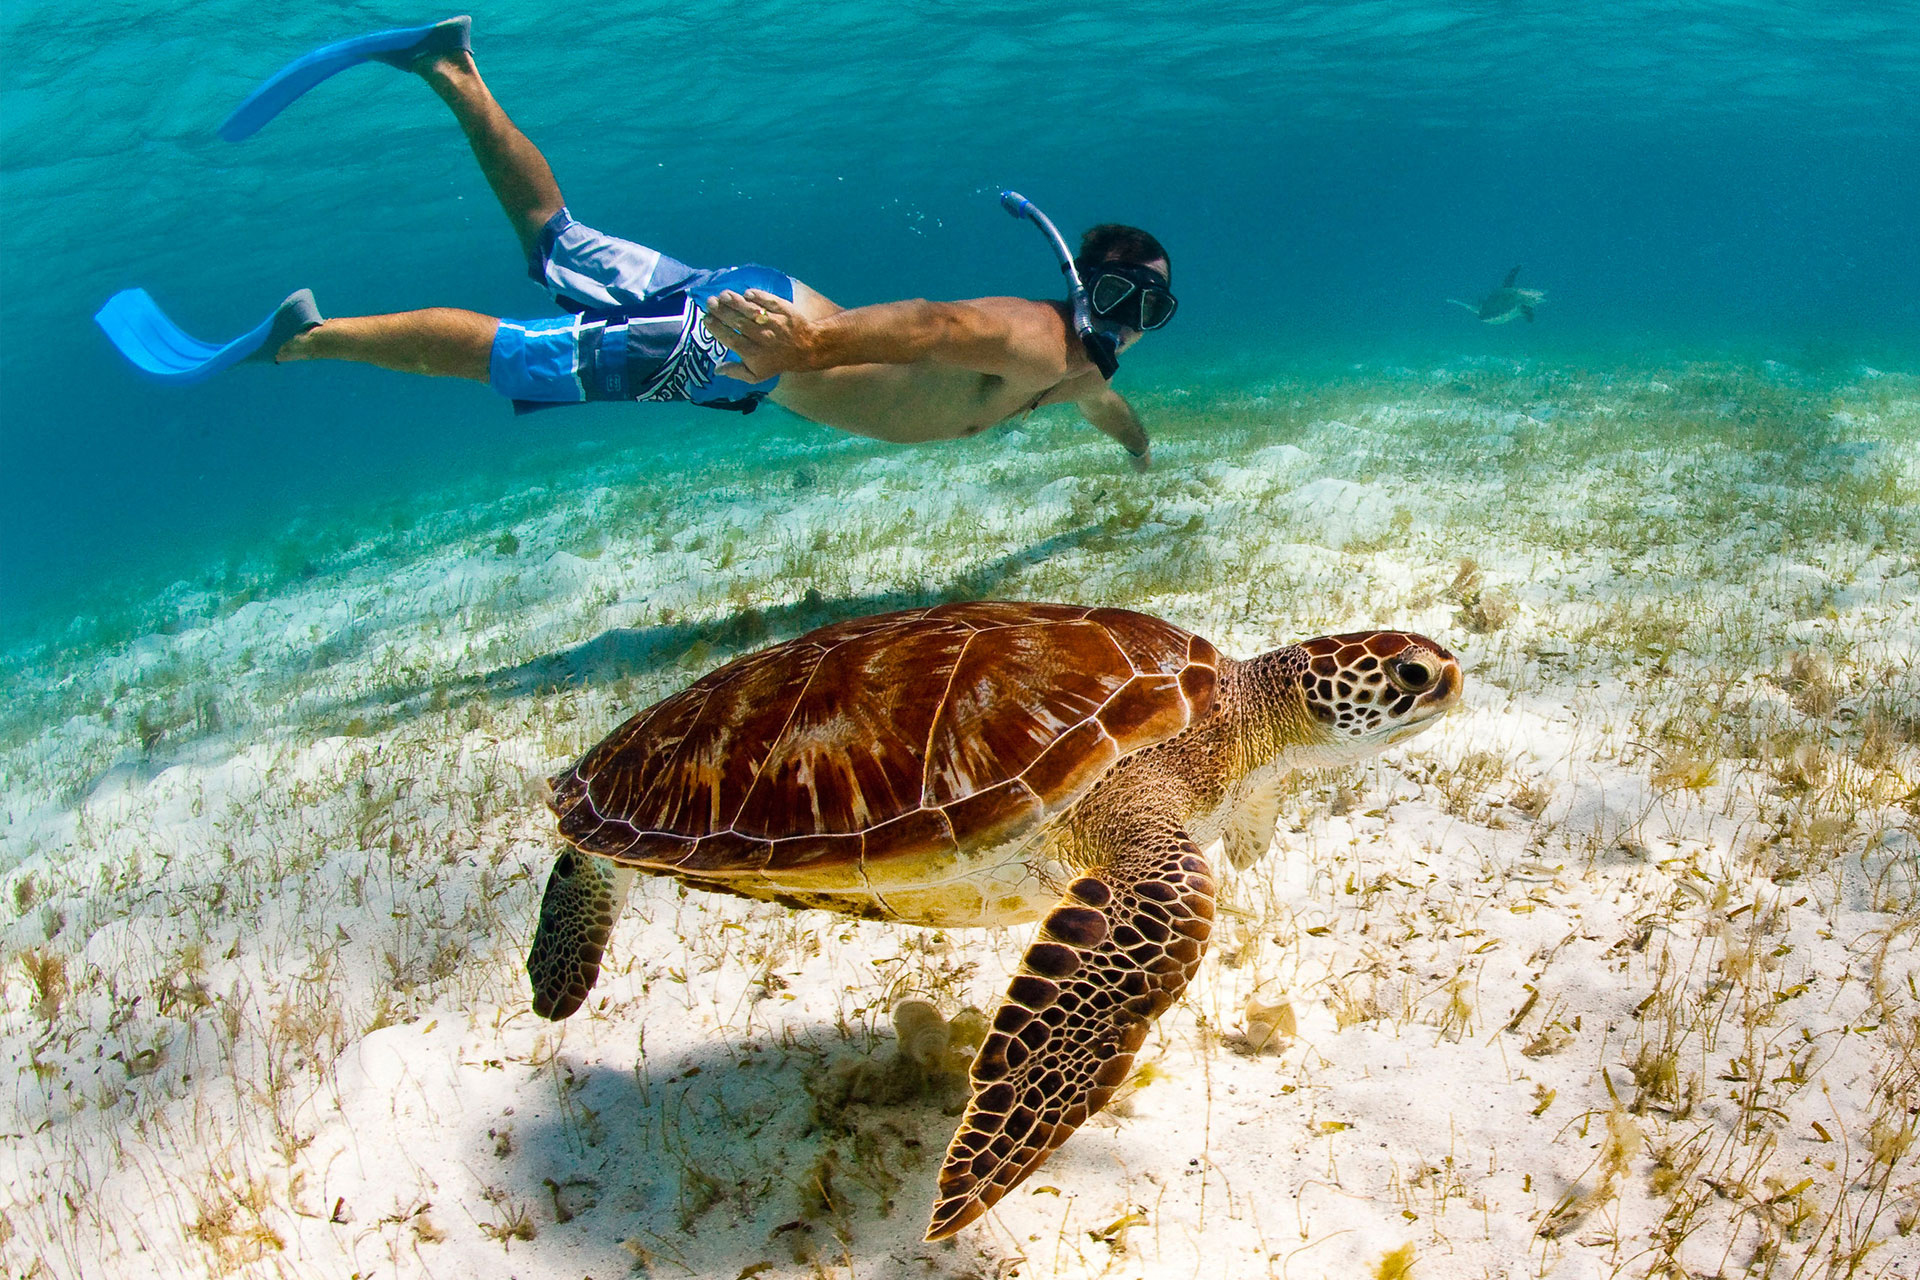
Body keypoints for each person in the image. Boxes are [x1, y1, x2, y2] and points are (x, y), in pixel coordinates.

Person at [99, 17, 1177, 470]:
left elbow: (1106, 406)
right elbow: (939, 328)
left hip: (761, 327)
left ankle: (448, 65)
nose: (1127, 327)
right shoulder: (1038, 334)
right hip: (753, 343)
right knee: (518, 354)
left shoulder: (1076, 373)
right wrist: (808, 351)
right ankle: (308, 336)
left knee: (553, 240)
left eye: (1150, 315)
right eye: (1122, 299)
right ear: (1082, 283)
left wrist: (1137, 451)